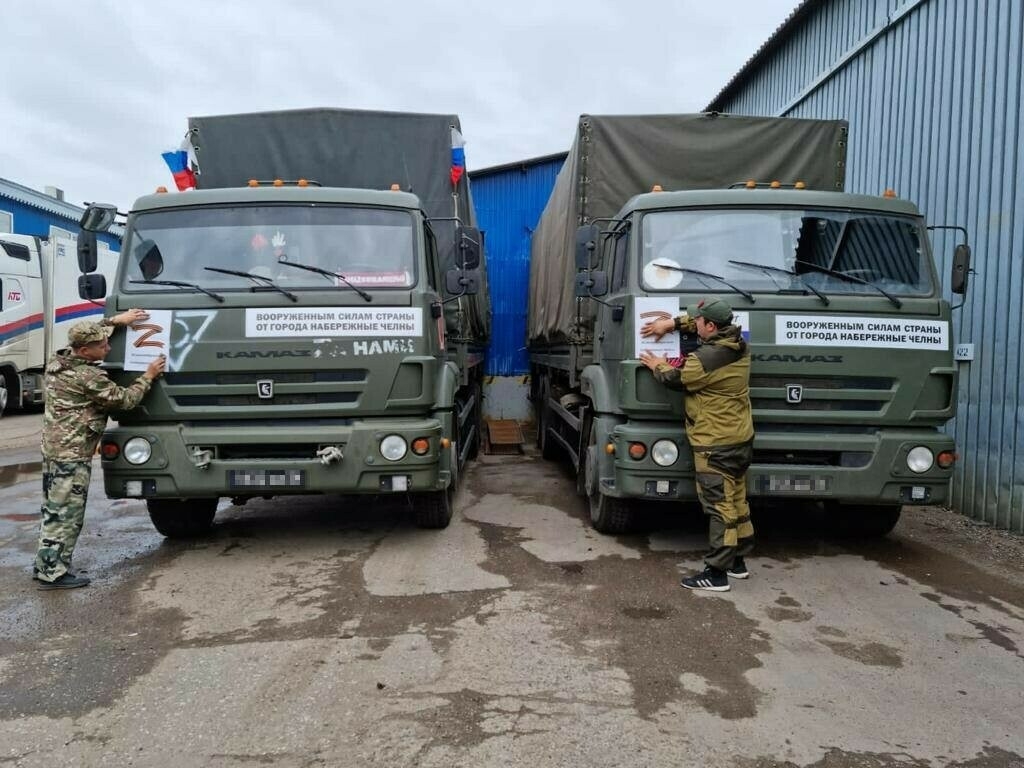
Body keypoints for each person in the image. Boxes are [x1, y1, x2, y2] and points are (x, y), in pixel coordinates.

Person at [33, 311, 166, 590]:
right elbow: (125, 400)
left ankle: (45, 565)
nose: (108, 347)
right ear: (84, 351)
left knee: (53, 509)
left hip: (55, 450)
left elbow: (87, 332)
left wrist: (115, 321)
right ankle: (53, 574)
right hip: (71, 454)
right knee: (67, 514)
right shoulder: (88, 377)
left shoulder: (58, 361)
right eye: (102, 345)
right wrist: (149, 375)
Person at [639, 297, 754, 593]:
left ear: (711, 326)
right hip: (739, 437)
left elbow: (676, 379)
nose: (695, 324)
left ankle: (716, 573)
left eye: (699, 321)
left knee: (719, 507)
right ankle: (737, 562)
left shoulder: (705, 359)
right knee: (737, 501)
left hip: (714, 442)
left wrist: (657, 364)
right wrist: (671, 323)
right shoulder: (739, 343)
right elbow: (700, 323)